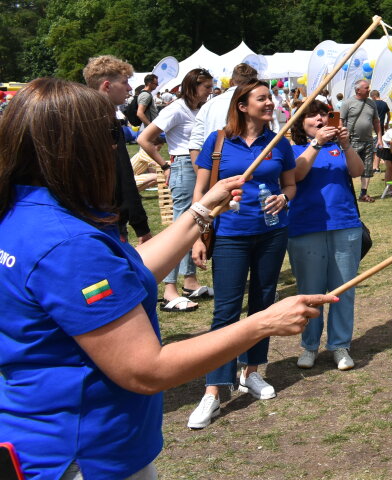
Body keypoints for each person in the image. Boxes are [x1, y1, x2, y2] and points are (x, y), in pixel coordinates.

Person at [0, 78, 334, 480]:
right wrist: (263, 323)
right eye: (110, 135)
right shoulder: (68, 245)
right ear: (76, 148)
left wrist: (202, 211)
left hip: (38, 437)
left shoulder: (22, 214)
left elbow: (130, 272)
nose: (116, 147)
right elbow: (145, 369)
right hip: (86, 455)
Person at [188, 80, 297, 429]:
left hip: (272, 233)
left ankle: (251, 371)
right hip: (230, 235)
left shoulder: (278, 142)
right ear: (242, 105)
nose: (270, 103)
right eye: (262, 98)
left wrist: (285, 198)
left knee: (263, 303)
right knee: (226, 310)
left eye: (271, 98)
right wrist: (198, 235)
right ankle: (214, 389)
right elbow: (200, 193)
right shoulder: (218, 141)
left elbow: (290, 184)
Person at [288, 100, 365, 371]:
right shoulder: (293, 149)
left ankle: (340, 345)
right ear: (300, 122)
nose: (320, 119)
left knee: (343, 290)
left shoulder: (338, 148)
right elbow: (297, 174)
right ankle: (309, 346)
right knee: (310, 291)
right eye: (312, 115)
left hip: (344, 225)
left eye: (324, 113)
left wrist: (346, 145)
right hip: (305, 227)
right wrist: (317, 143)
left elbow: (357, 171)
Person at [136, 68, 216, 310]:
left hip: (198, 165)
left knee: (195, 224)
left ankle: (190, 282)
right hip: (183, 165)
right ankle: (169, 290)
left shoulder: (199, 109)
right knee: (181, 228)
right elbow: (144, 139)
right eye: (206, 87)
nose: (210, 91)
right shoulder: (176, 109)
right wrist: (164, 165)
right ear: (192, 86)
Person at [83, 55, 152, 245]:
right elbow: (123, 175)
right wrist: (141, 226)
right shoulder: (106, 122)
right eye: (124, 82)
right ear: (107, 86)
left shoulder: (78, 118)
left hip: (82, 217)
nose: (129, 88)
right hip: (107, 219)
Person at [188, 62, 259, 163]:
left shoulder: (209, 105)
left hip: (215, 165)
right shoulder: (259, 104)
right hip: (252, 162)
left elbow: (194, 145)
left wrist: (200, 172)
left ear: (230, 82)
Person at [341, 79, 384, 202]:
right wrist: (343, 137)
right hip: (352, 141)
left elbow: (376, 121)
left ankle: (363, 194)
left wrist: (379, 138)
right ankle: (346, 193)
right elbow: (340, 120)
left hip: (368, 141)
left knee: (367, 167)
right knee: (348, 168)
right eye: (366, 88)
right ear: (358, 90)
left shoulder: (371, 103)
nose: (369, 90)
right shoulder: (348, 103)